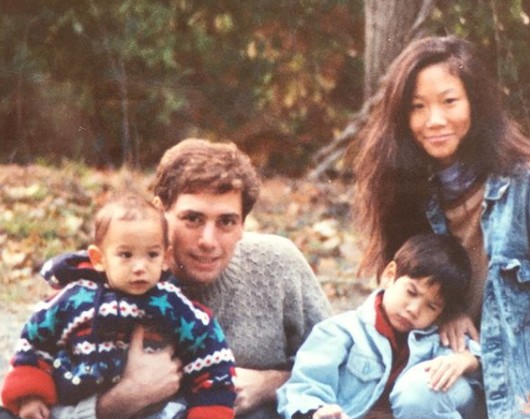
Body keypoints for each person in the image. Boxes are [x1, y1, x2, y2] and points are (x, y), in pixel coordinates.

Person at [34, 139, 332, 419]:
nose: (208, 241)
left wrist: (270, 384)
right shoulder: (101, 283)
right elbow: (28, 393)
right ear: (160, 213)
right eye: (193, 219)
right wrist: (117, 402)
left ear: (243, 225)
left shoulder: (277, 263)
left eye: (226, 222)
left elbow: (345, 361)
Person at [351, 35, 530, 418]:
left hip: (519, 369)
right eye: (418, 107)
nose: (434, 121)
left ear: (475, 104)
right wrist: (445, 309)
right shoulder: (406, 190)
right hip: (446, 357)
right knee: (418, 394)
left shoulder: (522, 184)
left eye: (449, 102)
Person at [1, 194, 236, 419]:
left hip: (160, 411)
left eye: (152, 255)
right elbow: (34, 342)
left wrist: (211, 410)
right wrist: (30, 396)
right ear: (99, 259)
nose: (139, 267)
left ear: (165, 257)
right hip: (76, 398)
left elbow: (212, 355)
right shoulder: (73, 300)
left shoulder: (173, 305)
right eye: (126, 255)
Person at [277, 233, 484, 419]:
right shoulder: (340, 332)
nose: (414, 309)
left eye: (431, 306)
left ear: (443, 313)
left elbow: (491, 366)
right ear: (389, 275)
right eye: (411, 292)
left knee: (427, 385)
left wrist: (468, 360)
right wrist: (317, 412)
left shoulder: (437, 339)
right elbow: (305, 387)